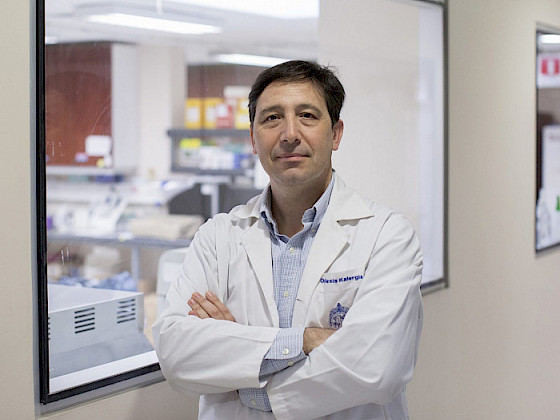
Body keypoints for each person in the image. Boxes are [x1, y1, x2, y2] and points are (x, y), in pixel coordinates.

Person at [153, 60, 423, 420]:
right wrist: (306, 341)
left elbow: (375, 368)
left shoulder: (387, 236)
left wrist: (245, 374)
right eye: (272, 118)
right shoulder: (218, 237)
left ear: (336, 133)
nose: (289, 133)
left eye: (308, 116)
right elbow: (176, 353)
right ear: (252, 138)